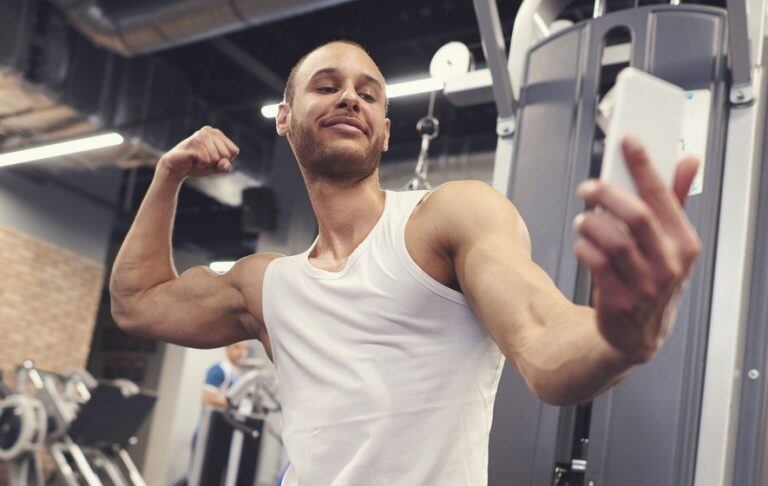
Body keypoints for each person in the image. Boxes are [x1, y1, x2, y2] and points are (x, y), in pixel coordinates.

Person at [109, 40, 701, 485]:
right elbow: (137, 305)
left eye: (368, 93)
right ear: (284, 116)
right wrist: (168, 176)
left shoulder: (448, 218)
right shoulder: (266, 283)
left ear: (386, 131)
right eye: (327, 85)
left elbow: (544, 345)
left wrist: (618, 334)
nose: (349, 97)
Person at [201, 342, 247, 409]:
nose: (241, 352)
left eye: (244, 348)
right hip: (212, 418)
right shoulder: (218, 370)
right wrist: (234, 404)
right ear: (227, 348)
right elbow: (207, 398)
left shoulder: (236, 373)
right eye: (236, 347)